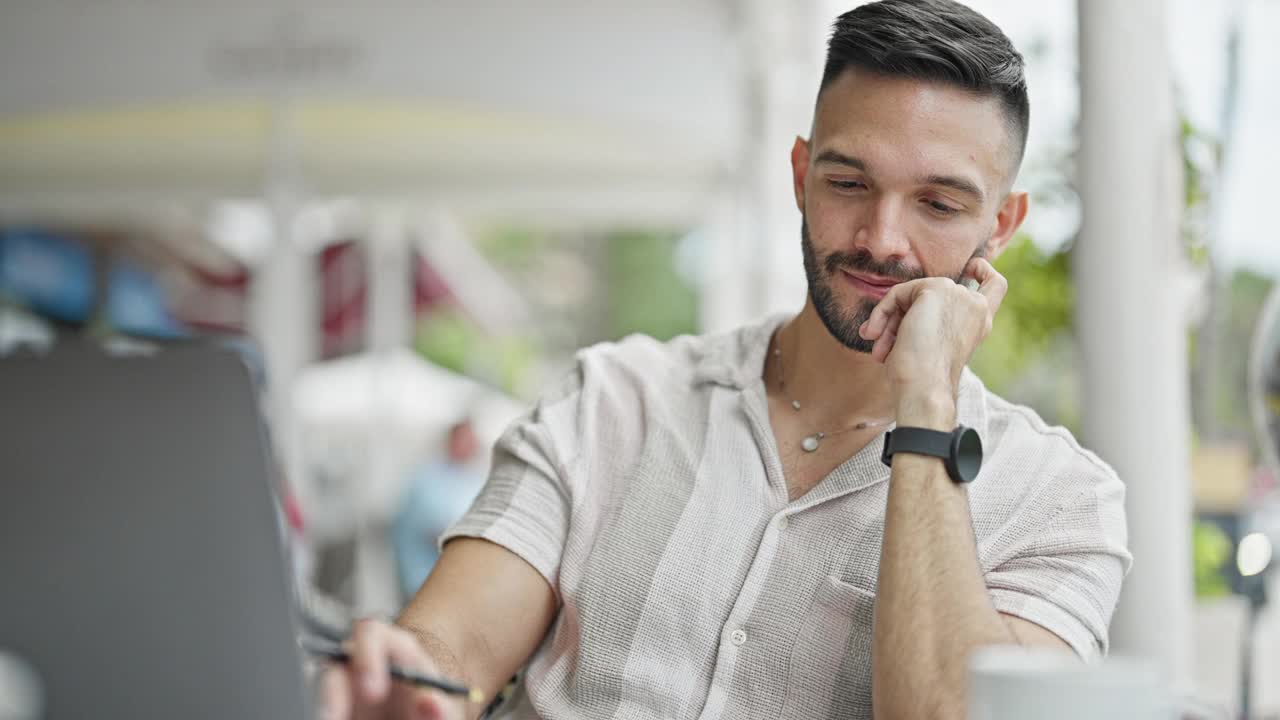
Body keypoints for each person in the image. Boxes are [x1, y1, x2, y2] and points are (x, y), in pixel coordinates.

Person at [320, 2, 1131, 718]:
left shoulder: (1062, 506)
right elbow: (450, 648)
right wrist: (408, 680)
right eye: (849, 182)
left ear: (1003, 224)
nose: (883, 238)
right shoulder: (612, 399)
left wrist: (925, 403)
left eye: (939, 204)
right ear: (799, 176)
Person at [391, 419, 485, 602]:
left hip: (450, 583)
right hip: (420, 580)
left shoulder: (473, 480)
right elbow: (437, 532)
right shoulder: (427, 478)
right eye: (466, 439)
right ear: (452, 440)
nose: (472, 445)